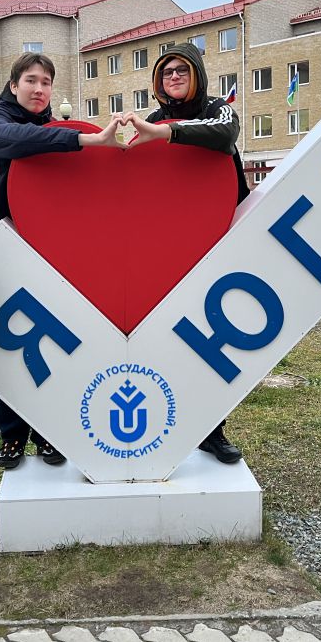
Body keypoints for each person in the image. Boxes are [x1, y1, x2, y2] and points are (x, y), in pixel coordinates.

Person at [0, 52, 121, 470]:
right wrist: (82, 140)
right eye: (31, 80)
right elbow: (9, 141)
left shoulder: (55, 125)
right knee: (13, 343)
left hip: (54, 249)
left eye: (47, 82)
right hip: (6, 245)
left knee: (60, 342)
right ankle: (13, 435)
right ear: (14, 85)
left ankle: (52, 435)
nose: (39, 89)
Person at [120, 41, 249, 464]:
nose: (173, 77)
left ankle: (212, 430)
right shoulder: (151, 119)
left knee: (210, 340)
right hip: (166, 246)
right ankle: (165, 422)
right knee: (166, 337)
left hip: (218, 238)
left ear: (195, 74)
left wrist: (168, 133)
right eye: (166, 72)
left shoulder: (216, 108)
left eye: (181, 70)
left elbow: (225, 134)